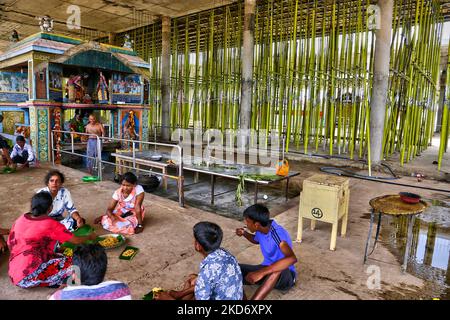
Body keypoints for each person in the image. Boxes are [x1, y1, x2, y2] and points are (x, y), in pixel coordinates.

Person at [7, 192, 97, 288]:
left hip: (14, 273)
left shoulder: (21, 218)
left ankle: (48, 277)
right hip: (28, 277)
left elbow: (10, 244)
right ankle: (59, 285)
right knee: (80, 264)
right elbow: (76, 240)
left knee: (62, 255)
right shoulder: (50, 224)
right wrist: (89, 236)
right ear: (50, 208)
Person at [155, 221, 243, 300]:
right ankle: (180, 295)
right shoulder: (224, 253)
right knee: (192, 279)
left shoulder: (207, 270)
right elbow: (210, 280)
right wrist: (180, 294)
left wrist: (167, 298)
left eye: (194, 239)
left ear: (198, 246)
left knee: (165, 297)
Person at [235, 204, 297, 300]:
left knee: (277, 270)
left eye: (247, 221)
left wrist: (261, 273)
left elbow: (292, 258)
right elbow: (256, 240)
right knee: (233, 267)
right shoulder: (261, 229)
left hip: (285, 275)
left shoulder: (278, 235)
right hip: (267, 268)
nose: (245, 224)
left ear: (256, 224)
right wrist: (244, 233)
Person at [49, 244, 132, 300]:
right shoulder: (121, 289)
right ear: (104, 269)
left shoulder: (59, 296)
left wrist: (61, 290)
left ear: (74, 274)